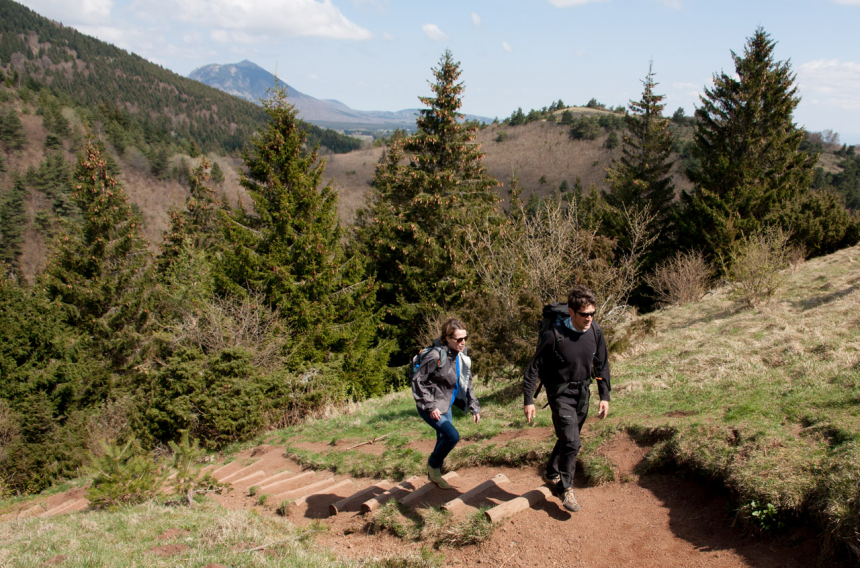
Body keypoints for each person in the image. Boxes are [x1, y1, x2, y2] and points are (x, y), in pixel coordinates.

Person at [523, 285, 611, 512]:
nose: (589, 318)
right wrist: (528, 400)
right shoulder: (555, 335)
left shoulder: (595, 332)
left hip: (583, 393)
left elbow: (601, 364)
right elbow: (533, 368)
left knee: (568, 438)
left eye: (592, 313)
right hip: (560, 394)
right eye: (584, 314)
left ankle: (552, 471)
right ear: (571, 312)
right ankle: (566, 487)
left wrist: (604, 395)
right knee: (572, 442)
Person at [411, 317, 481, 489]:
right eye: (458, 339)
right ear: (447, 339)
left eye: (465, 338)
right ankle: (433, 466)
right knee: (452, 436)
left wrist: (474, 406)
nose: (463, 342)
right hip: (429, 406)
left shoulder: (462, 355)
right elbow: (417, 381)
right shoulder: (436, 355)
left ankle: (434, 476)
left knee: (443, 438)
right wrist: (430, 406)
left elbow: (466, 381)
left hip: (445, 403)